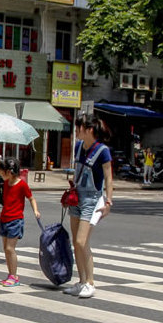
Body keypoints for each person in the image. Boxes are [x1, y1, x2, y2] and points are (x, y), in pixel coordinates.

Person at [65, 114, 113, 299]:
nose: (76, 132)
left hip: (92, 199)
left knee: (81, 241)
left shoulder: (102, 151)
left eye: (79, 129)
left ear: (89, 130)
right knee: (75, 243)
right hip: (76, 196)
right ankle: (82, 281)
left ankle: (90, 282)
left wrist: (108, 201)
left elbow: (108, 177)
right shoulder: (78, 147)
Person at [0, 157, 40, 286]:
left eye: (3, 172)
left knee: (10, 248)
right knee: (6, 249)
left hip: (15, 220)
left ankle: (14, 276)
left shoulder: (22, 185)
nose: (1, 174)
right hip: (4, 218)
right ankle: (10, 274)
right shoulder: (6, 182)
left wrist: (36, 210)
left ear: (9, 172)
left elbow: (31, 198)